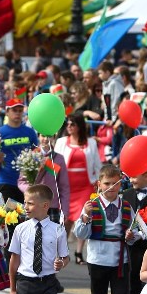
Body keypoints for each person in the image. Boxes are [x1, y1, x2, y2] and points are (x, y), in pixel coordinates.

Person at [73, 164, 135, 294]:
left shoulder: (126, 206)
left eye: (115, 183)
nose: (111, 187)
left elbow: (135, 232)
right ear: (99, 184)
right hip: (98, 258)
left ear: (120, 185)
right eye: (107, 183)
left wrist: (132, 236)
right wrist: (85, 218)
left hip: (119, 259)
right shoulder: (91, 206)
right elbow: (80, 234)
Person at [53, 114, 100, 265]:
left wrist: (99, 181)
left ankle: (79, 252)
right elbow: (54, 162)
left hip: (85, 185)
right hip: (67, 187)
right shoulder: (61, 142)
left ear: (79, 126)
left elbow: (97, 164)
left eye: (72, 124)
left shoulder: (91, 143)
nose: (69, 126)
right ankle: (61, 251)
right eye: (68, 124)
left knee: (83, 217)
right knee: (66, 219)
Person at [0, 99, 39, 205]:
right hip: (6, 181)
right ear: (7, 112)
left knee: (26, 218)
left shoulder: (30, 132)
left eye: (20, 110)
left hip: (26, 183)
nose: (18, 113)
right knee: (9, 218)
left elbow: (37, 154)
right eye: (14, 110)